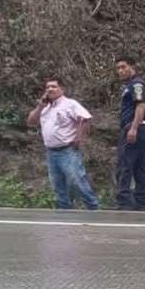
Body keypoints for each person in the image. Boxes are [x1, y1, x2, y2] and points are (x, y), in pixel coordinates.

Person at [26, 78, 99, 210]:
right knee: (57, 184)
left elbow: (86, 118)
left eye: (54, 86)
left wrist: (79, 137)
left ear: (62, 89)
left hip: (68, 151)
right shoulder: (45, 107)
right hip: (51, 152)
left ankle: (93, 208)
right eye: (48, 87)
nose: (50, 89)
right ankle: (64, 211)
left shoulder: (70, 103)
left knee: (76, 181)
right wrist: (40, 106)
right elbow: (30, 121)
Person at [114, 54, 145, 210]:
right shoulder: (131, 85)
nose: (120, 71)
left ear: (132, 67)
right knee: (140, 166)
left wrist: (133, 128)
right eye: (118, 68)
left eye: (123, 67)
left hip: (135, 127)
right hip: (142, 129)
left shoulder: (136, 84)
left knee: (124, 165)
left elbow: (141, 105)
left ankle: (123, 204)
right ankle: (141, 204)